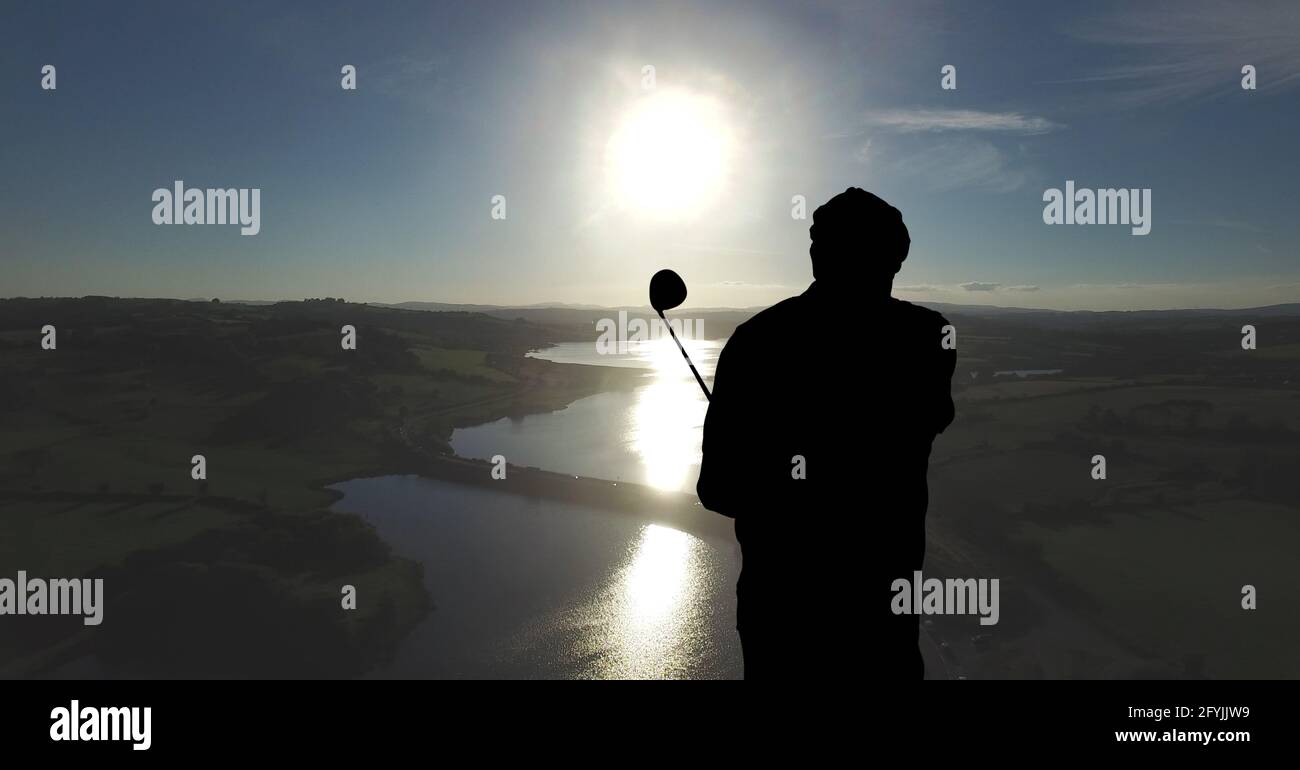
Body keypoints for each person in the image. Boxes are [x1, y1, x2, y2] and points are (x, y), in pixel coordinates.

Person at [696, 188, 955, 679]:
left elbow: (718, 491)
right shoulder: (929, 338)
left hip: (783, 619)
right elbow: (919, 425)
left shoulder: (756, 341)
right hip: (883, 617)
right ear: (896, 260)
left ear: (819, 254)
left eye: (821, 241)